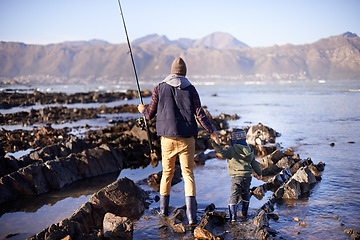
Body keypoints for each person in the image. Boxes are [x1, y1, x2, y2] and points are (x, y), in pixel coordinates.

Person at [138, 57, 220, 225]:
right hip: (187, 140)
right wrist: (212, 131)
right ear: (184, 72)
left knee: (167, 174)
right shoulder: (191, 89)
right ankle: (191, 218)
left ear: (171, 71)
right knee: (188, 174)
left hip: (167, 139)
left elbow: (150, 114)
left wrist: (142, 110)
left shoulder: (159, 88)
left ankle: (163, 213)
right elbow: (200, 114)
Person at [211, 128, 262, 222]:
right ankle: (244, 213)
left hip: (236, 177)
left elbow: (222, 153)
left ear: (233, 139)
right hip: (247, 177)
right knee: (246, 193)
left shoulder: (232, 149)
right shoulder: (249, 149)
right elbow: (254, 163)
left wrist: (214, 145)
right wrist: (259, 174)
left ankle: (233, 218)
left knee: (234, 195)